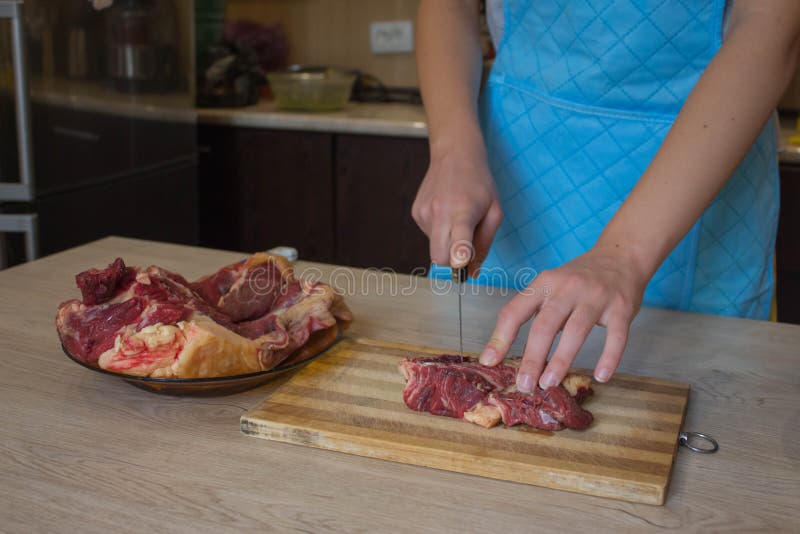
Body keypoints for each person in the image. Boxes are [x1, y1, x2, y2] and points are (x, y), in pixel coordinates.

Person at [412, 0, 800, 393]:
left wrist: (625, 254)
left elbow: (771, 23)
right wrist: (452, 151)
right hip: (518, 167)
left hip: (700, 166)